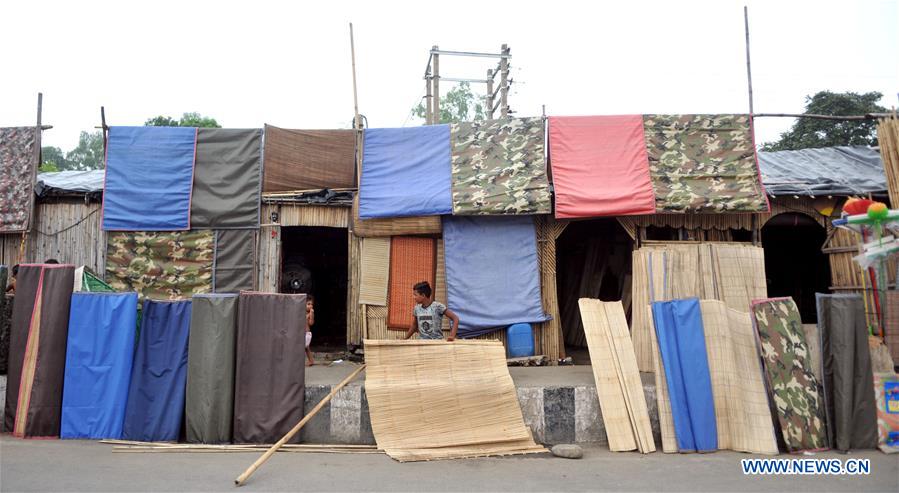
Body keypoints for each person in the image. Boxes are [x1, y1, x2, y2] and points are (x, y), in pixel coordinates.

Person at [305, 295, 315, 366]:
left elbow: (311, 323)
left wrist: (311, 315)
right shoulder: (302, 313)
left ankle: (311, 361)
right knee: (306, 348)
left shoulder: (310, 314)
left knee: (305, 348)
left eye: (311, 304)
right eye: (308, 304)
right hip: (301, 334)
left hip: (307, 334)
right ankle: (311, 361)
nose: (310, 306)